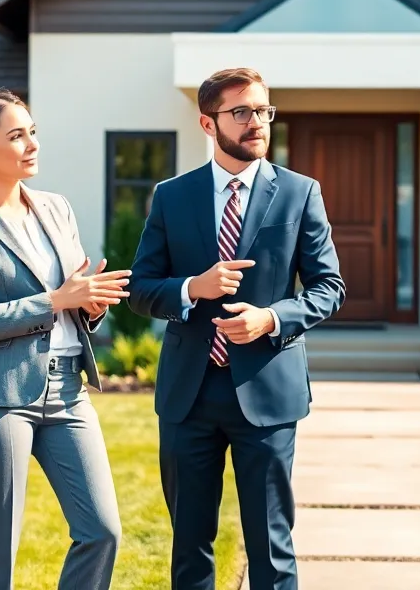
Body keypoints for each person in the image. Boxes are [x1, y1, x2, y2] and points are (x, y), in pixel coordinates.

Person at [128, 67, 346, 590]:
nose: (257, 122)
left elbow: (328, 288)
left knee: (272, 547)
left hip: (268, 393)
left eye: (264, 110)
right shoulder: (172, 196)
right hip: (189, 395)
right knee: (190, 548)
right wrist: (191, 289)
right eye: (241, 112)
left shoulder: (300, 192)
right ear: (208, 122)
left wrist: (271, 317)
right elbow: (140, 288)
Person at [0, 89, 127, 590]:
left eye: (32, 131)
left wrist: (89, 304)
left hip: (68, 392)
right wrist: (56, 300)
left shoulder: (56, 208)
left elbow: (73, 296)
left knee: (102, 531)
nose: (32, 143)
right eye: (16, 135)